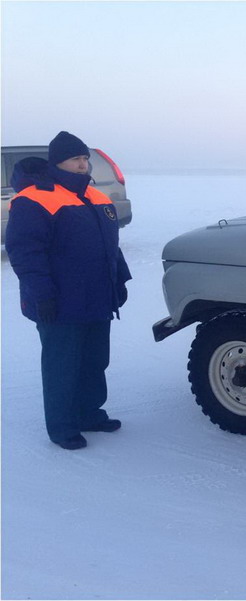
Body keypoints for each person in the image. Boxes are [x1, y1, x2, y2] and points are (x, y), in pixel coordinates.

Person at [6, 131, 132, 451]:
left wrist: (119, 280)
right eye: (75, 159)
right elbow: (25, 252)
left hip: (96, 296)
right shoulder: (33, 198)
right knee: (62, 364)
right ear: (57, 163)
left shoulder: (96, 198)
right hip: (58, 300)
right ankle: (62, 426)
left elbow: (110, 248)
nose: (83, 165)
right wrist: (41, 293)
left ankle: (90, 413)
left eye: (85, 159)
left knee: (94, 360)